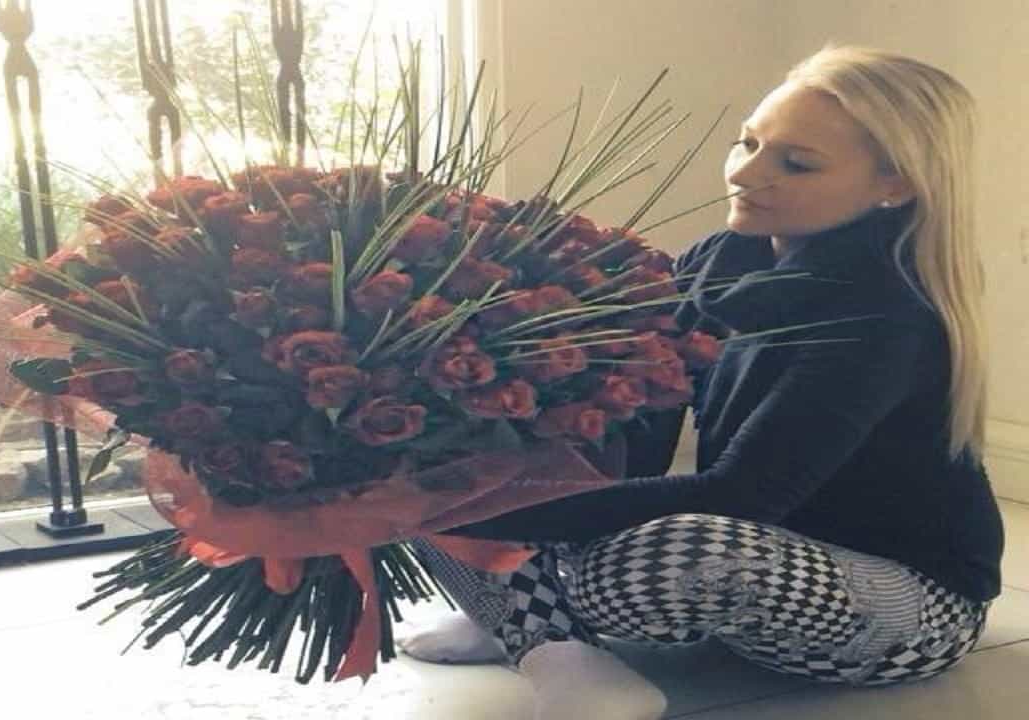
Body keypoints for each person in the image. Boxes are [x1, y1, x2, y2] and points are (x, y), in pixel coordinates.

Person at [401, 44, 1005, 720]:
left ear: (894, 184)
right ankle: (550, 649)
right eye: (748, 142)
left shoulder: (885, 314)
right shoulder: (721, 259)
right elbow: (639, 427)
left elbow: (743, 494)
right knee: (416, 459)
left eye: (796, 163)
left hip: (908, 601)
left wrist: (491, 518)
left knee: (662, 554)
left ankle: (528, 618)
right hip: (761, 558)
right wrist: (474, 478)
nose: (745, 172)